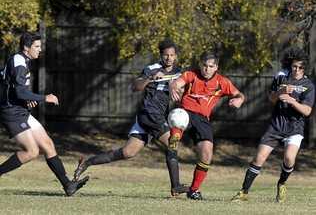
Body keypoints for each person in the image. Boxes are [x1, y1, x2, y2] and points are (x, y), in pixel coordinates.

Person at [74, 38, 188, 196]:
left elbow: (182, 93)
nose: (169, 58)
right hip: (149, 114)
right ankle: (175, 186)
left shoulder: (179, 73)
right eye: (166, 55)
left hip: (157, 117)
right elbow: (135, 86)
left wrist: (178, 90)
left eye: (172, 55)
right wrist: (151, 79)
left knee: (128, 152)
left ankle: (87, 162)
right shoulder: (152, 68)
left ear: (176, 56)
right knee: (172, 143)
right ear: (161, 55)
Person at [0, 32, 89, 196]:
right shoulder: (19, 62)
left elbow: (9, 83)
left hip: (20, 109)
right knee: (32, 152)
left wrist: (27, 98)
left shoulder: (20, 59)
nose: (40, 50)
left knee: (48, 144)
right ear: (26, 48)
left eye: (40, 46)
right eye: (37, 47)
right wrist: (43, 98)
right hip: (11, 112)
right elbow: (19, 91)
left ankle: (68, 185)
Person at [231, 50, 315, 203]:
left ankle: (281, 183)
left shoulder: (308, 85)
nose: (296, 70)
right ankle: (243, 192)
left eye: (300, 67)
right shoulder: (281, 78)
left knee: (289, 159)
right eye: (294, 66)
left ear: (304, 69)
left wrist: (292, 101)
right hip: (276, 126)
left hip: (294, 128)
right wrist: (280, 92)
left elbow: (307, 111)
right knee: (259, 158)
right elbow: (271, 99)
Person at [169, 51, 245, 200]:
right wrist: (173, 87)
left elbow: (240, 94)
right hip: (186, 113)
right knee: (178, 116)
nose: (207, 69)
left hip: (202, 120)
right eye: (204, 65)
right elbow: (177, 83)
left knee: (207, 153)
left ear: (216, 67)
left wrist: (239, 100)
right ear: (200, 64)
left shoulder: (222, 82)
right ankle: (175, 136)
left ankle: (194, 190)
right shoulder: (191, 74)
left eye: (211, 66)